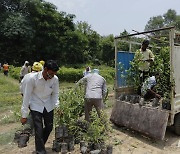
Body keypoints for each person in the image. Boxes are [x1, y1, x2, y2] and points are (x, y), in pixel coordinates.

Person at [20, 60, 59, 154]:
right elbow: (26, 96)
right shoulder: (32, 79)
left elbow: (55, 94)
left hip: (48, 105)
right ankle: (40, 151)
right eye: (51, 73)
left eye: (54, 74)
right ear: (45, 69)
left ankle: (40, 144)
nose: (52, 76)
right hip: (35, 104)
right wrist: (24, 115)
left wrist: (57, 107)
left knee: (49, 127)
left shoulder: (55, 79)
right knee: (38, 129)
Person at [15, 62, 43, 148]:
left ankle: (29, 132)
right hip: (35, 101)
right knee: (33, 117)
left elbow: (21, 90)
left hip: (27, 99)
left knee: (33, 116)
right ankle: (24, 136)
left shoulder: (26, 77)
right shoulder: (38, 78)